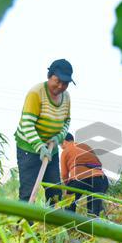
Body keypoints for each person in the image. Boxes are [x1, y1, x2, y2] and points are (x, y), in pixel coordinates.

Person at [15, 59, 73, 204]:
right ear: (49, 76)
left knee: (55, 192)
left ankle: (52, 225)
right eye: (57, 81)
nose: (60, 86)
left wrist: (59, 137)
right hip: (29, 148)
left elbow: (66, 121)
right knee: (28, 192)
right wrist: (39, 146)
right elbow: (27, 124)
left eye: (65, 83)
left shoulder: (66, 97)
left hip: (51, 150)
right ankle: (25, 224)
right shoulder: (36, 93)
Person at [60, 133, 109, 216]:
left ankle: (69, 227)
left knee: (69, 206)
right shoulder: (86, 146)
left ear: (64, 142)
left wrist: (68, 188)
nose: (61, 147)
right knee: (94, 211)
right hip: (100, 178)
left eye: (60, 144)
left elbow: (64, 174)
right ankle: (93, 225)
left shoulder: (65, 151)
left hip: (79, 178)